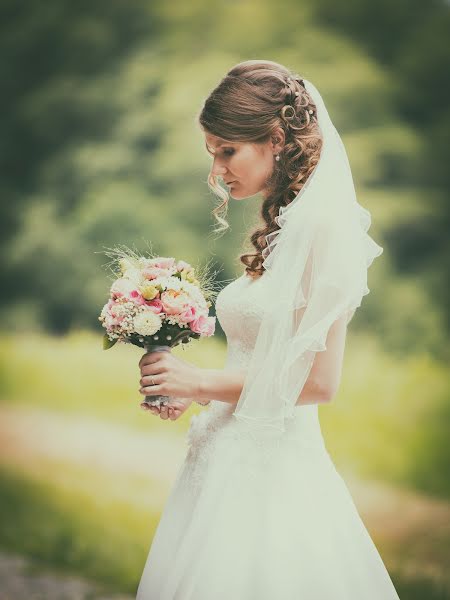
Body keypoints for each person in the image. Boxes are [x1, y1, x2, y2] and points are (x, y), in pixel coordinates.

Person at [136, 60, 401, 599]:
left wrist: (199, 383)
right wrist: (185, 391)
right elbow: (257, 361)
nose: (217, 169)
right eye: (212, 152)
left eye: (226, 150)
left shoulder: (322, 227)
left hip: (271, 474)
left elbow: (318, 384)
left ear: (276, 138)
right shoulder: (282, 226)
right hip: (221, 457)